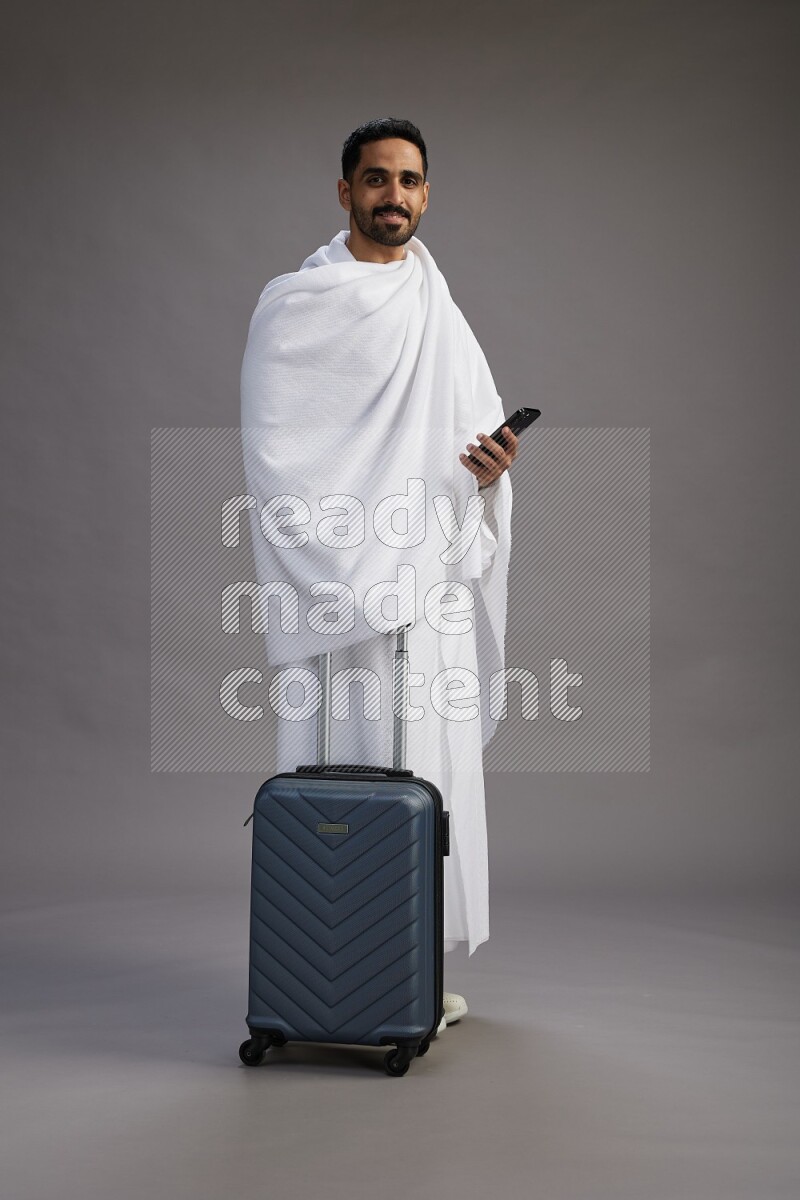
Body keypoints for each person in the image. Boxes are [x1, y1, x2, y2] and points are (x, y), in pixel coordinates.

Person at [241, 118, 520, 1035]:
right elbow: (279, 453)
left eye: (408, 181)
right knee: (336, 766)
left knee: (421, 770)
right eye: (374, 180)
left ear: (426, 194)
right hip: (337, 596)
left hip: (422, 586)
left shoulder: (440, 308)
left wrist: (488, 473)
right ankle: (322, 972)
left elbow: (470, 433)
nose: (392, 196)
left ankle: (403, 970)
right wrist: (348, 562)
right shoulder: (295, 305)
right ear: (344, 191)